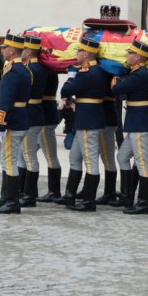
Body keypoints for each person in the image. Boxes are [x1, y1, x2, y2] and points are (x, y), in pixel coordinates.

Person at [55, 37, 108, 212]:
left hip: (88, 121)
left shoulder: (88, 73)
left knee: (90, 161)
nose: (77, 54)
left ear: (85, 54)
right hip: (85, 119)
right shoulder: (97, 70)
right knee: (75, 157)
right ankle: (70, 195)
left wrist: (71, 77)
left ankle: (88, 201)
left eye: (78, 51)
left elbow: (66, 90)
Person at [0, 34, 32, 214]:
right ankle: (6, 197)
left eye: (4, 48)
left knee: (10, 161)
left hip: (12, 121)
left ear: (12, 50)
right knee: (8, 161)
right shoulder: (22, 69)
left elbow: (6, 100)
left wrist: (0, 123)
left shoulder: (14, 71)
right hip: (18, 119)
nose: (2, 50)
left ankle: (12, 202)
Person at [111, 39, 148, 214]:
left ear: (137, 57)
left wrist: (115, 76)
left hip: (141, 124)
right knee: (122, 157)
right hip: (135, 123)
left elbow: (117, 89)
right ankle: (127, 197)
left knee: (142, 163)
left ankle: (144, 203)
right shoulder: (136, 73)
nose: (127, 56)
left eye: (129, 53)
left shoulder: (140, 74)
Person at [18, 36, 47, 208]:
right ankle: (22, 190)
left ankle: (30, 195)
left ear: (28, 52)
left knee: (29, 155)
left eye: (22, 50)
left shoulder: (32, 70)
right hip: (30, 114)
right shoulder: (35, 67)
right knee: (23, 154)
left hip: (31, 115)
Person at [36, 64, 63, 203]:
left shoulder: (45, 72)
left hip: (45, 119)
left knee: (50, 156)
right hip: (46, 117)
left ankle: (54, 191)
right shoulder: (49, 71)